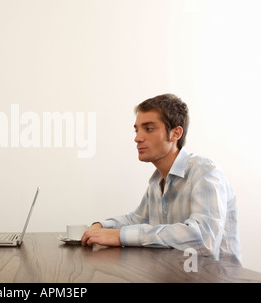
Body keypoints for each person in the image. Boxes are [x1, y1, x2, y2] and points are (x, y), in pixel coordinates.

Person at [81, 94, 241, 264]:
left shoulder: (204, 171)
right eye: (137, 130)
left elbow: (203, 238)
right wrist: (101, 227)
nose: (137, 138)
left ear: (175, 133)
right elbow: (138, 219)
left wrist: (120, 236)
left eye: (148, 129)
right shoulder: (157, 181)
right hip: (176, 275)